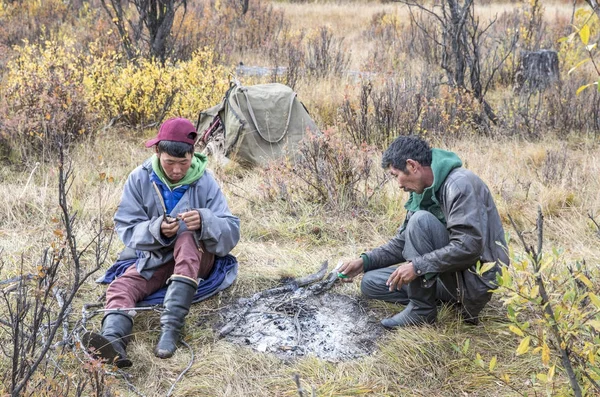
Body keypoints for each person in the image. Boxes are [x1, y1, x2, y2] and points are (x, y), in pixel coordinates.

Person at [84, 117, 240, 367]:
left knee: (187, 237)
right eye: (170, 163)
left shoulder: (206, 180)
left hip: (198, 258)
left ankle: (170, 332)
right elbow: (126, 227)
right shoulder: (139, 178)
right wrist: (157, 229)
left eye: (183, 163)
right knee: (120, 288)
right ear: (157, 152)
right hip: (156, 257)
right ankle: (113, 342)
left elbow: (232, 229)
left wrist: (204, 220)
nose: (177, 170)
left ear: (193, 154)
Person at [339, 135, 508, 328]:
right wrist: (364, 262)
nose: (399, 184)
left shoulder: (459, 185)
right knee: (370, 282)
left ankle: (422, 310)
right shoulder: (421, 191)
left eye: (396, 175)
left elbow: (468, 246)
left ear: (412, 165)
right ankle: (443, 301)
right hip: (448, 276)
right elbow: (402, 242)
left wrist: (417, 267)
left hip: (473, 282)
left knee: (421, 221)